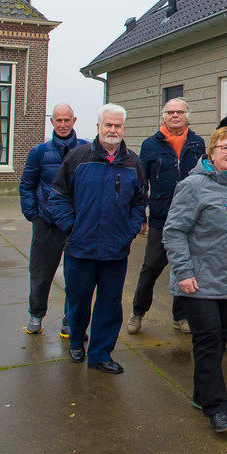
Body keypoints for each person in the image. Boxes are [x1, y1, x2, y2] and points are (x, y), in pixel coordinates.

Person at [163, 126, 227, 432]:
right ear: (212, 153)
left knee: (218, 339)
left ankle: (200, 394)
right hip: (199, 281)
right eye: (225, 148)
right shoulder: (193, 186)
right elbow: (174, 231)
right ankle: (217, 409)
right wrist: (184, 272)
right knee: (207, 343)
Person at [47, 104, 148, 374]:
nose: (112, 130)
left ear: (123, 129)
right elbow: (57, 196)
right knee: (78, 299)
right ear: (98, 127)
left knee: (110, 302)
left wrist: (128, 231)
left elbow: (140, 203)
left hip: (115, 250)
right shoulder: (78, 158)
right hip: (80, 248)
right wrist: (72, 227)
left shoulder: (133, 163)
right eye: (108, 125)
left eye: (117, 126)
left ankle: (101, 353)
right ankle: (77, 341)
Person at [128, 98, 206, 337]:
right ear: (163, 116)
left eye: (179, 112)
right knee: (151, 267)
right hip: (161, 219)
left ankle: (180, 316)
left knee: (185, 269)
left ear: (187, 116)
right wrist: (141, 214)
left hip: (191, 219)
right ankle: (137, 313)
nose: (175, 115)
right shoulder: (151, 145)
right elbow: (142, 183)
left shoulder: (198, 143)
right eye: (170, 112)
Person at [19, 104, 87, 337]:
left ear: (74, 120)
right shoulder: (39, 152)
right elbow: (27, 184)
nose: (63, 124)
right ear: (52, 122)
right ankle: (36, 314)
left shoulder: (86, 149)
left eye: (67, 120)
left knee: (76, 277)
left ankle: (70, 321)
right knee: (40, 273)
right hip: (46, 224)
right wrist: (33, 214)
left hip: (75, 225)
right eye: (58, 120)